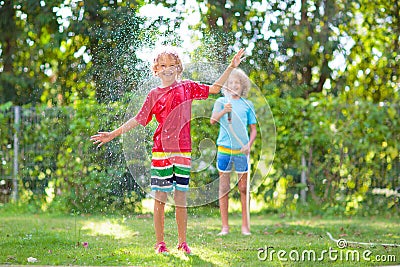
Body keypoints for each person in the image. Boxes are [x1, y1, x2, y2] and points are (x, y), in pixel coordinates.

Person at [90, 46, 245, 254]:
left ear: (178, 68)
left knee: (181, 197)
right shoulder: (153, 94)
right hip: (161, 152)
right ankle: (160, 243)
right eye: (163, 65)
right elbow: (138, 118)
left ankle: (182, 242)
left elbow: (215, 89)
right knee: (160, 197)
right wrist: (112, 134)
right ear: (156, 70)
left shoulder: (188, 87)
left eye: (172, 65)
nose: (168, 69)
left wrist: (230, 66)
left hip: (183, 152)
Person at [210, 68, 257, 236]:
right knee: (224, 188)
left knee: (243, 188)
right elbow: (212, 121)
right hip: (224, 150)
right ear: (226, 86)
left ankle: (245, 226)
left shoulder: (247, 104)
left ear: (242, 85)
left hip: (241, 152)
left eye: (237, 82)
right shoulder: (221, 101)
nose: (234, 85)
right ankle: (225, 227)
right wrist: (224, 110)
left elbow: (253, 130)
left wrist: (248, 145)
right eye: (230, 83)